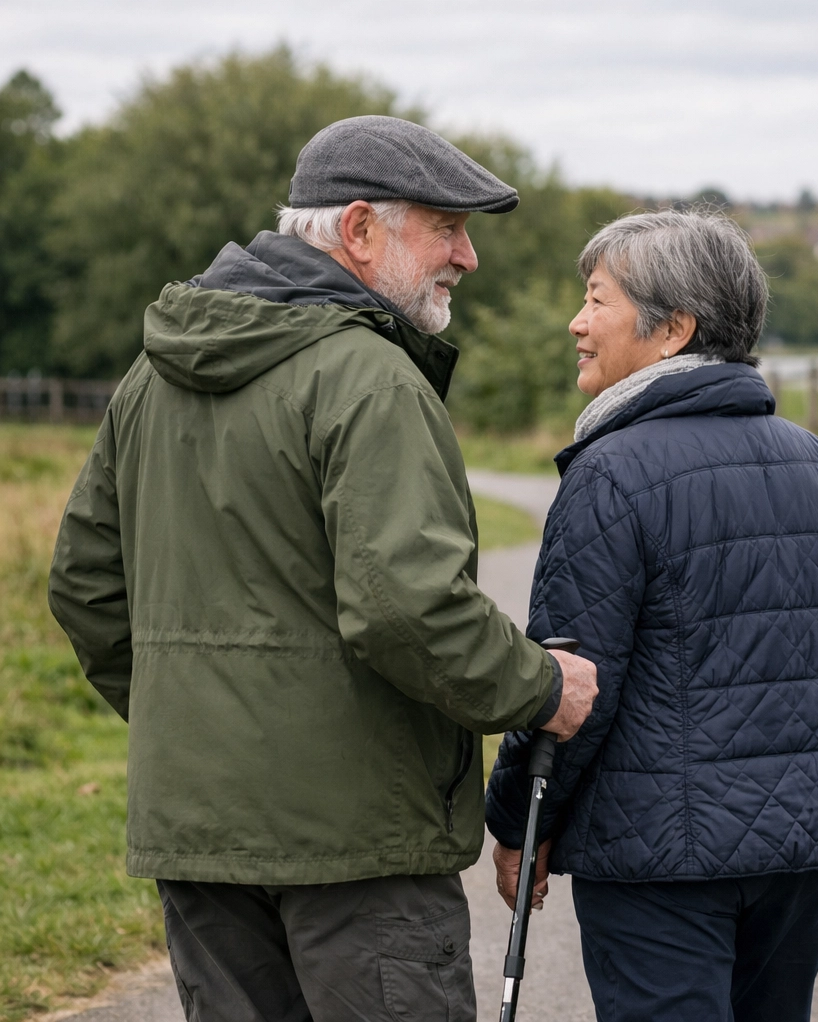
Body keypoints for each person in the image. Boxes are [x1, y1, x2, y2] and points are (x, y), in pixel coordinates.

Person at [47, 115, 599, 1022]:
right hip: (359, 851)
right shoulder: (371, 380)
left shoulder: (149, 381)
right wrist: (541, 688)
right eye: (447, 228)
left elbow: (83, 587)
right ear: (359, 229)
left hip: (199, 835)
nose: (467, 257)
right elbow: (408, 609)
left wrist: (192, 725)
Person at [485, 209, 818, 1022]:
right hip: (809, 850)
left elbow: (573, 680)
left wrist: (519, 820)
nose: (577, 324)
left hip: (658, 859)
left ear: (673, 330)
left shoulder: (610, 474)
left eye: (596, 300)